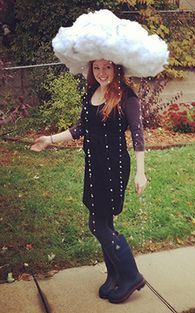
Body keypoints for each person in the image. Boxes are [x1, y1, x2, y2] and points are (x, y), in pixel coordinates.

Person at [31, 9, 168, 304]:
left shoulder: (127, 97)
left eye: (107, 67)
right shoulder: (90, 95)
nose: (102, 72)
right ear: (91, 68)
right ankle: (114, 275)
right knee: (101, 221)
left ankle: (130, 275)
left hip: (115, 167)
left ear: (117, 68)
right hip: (94, 166)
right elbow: (81, 128)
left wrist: (141, 172)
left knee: (99, 225)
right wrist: (49, 140)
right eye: (97, 67)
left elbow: (139, 135)